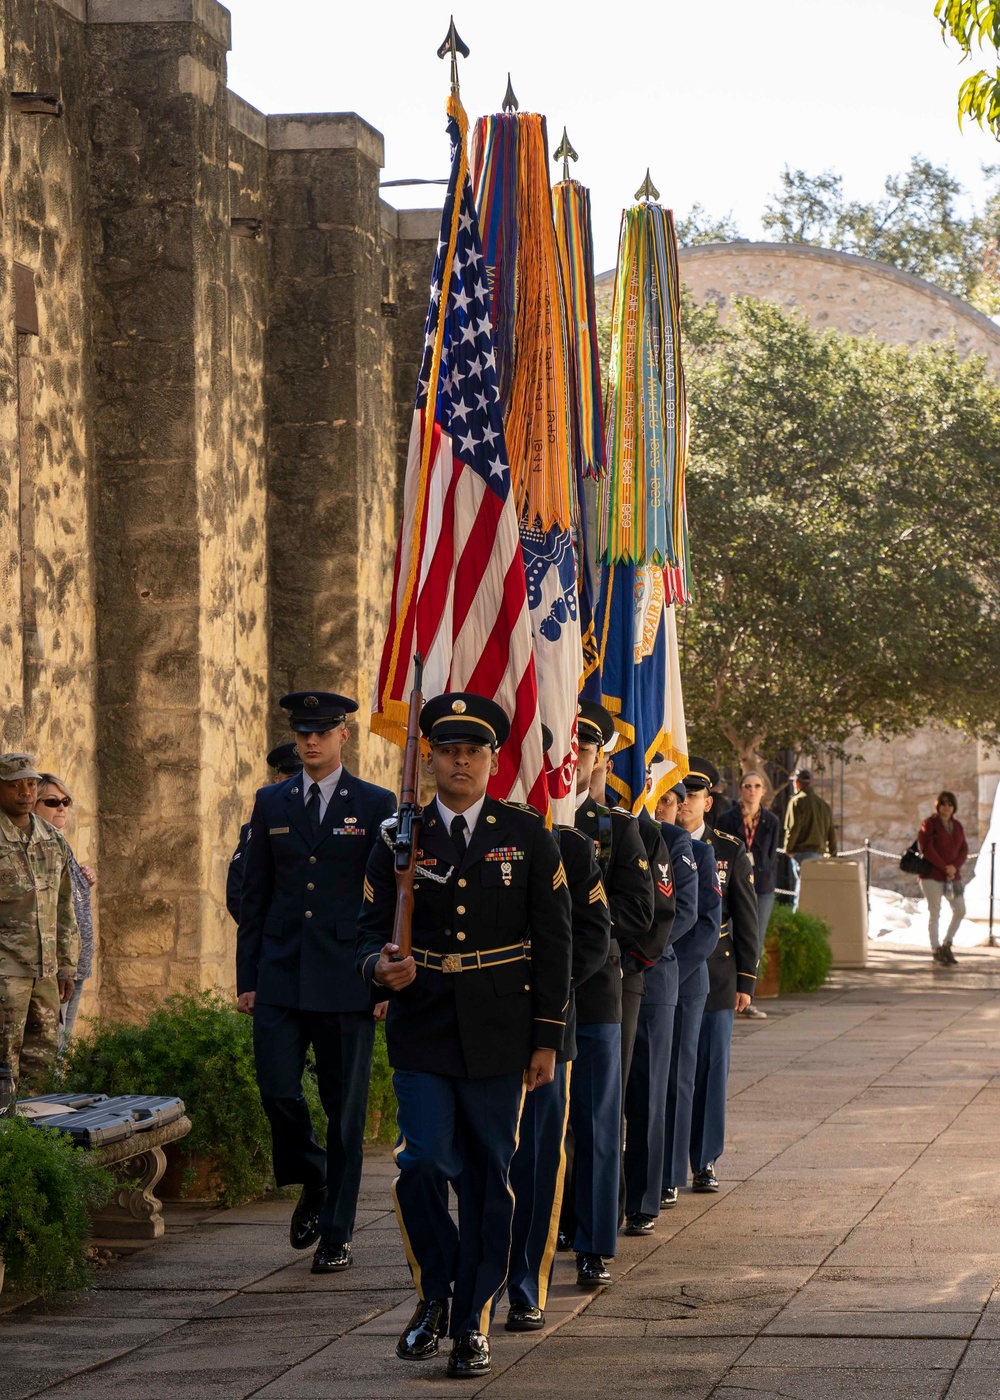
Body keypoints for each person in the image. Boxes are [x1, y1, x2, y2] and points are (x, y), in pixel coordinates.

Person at [356, 694, 573, 1378]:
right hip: (422, 1025)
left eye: (472, 750)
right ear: (430, 757)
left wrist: (547, 1039)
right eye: (447, 749)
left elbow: (557, 939)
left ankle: (472, 1321)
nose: (459, 760)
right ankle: (436, 1293)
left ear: (492, 760)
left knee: (486, 1174)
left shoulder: (527, 832)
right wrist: (377, 967)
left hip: (499, 1030)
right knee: (420, 1163)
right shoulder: (400, 834)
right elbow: (363, 931)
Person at [236, 691, 395, 1275]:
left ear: (343, 736)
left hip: (347, 976)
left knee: (344, 1110)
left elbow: (388, 902)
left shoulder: (376, 803)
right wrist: (247, 976)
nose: (309, 741)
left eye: (321, 731)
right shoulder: (271, 800)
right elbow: (255, 896)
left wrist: (381, 982)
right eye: (303, 732)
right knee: (277, 1091)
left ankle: (337, 1232)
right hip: (280, 973)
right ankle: (315, 1173)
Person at [506, 727, 610, 1332]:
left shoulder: (571, 846)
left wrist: (546, 996)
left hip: (548, 1025)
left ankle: (526, 1283)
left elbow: (593, 937)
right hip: (477, 1028)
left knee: (541, 1158)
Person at [561, 700, 654, 1289]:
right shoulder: (523, 826)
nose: (575, 760)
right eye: (567, 748)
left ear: (599, 759)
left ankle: (594, 1240)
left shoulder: (618, 829)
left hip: (596, 990)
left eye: (587, 750)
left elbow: (640, 909)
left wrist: (573, 930)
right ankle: (543, 1229)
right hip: (524, 991)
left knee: (596, 1122)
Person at [622, 768, 696, 1235]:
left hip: (649, 977)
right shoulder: (605, 826)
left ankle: (644, 1200)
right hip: (605, 978)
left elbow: (682, 912)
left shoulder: (671, 838)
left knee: (648, 1094)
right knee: (600, 1101)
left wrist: (633, 956)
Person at [678, 758, 758, 1193]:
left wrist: (746, 978)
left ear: (708, 802)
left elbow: (746, 916)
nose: (685, 802)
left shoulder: (727, 849)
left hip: (717, 972)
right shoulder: (657, 839)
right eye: (680, 794)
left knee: (710, 1070)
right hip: (669, 972)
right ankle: (667, 1164)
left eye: (693, 795)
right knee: (672, 1072)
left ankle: (704, 1159)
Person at [0, 754, 79, 1092]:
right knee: (4, 1064)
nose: (25, 791)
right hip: (6, 973)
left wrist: (67, 966)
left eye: (31, 784)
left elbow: (64, 906)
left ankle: (39, 1140)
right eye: (15, 784)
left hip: (46, 974)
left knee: (43, 1063)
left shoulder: (52, 838)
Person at [660, 783, 723, 1209]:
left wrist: (665, 968)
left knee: (677, 1081)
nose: (671, 806)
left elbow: (707, 926)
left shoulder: (700, 854)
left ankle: (667, 1174)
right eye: (663, 798)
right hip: (637, 981)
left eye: (674, 799)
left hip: (681, 980)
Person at [33, 774, 95, 1048]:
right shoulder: (39, 846)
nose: (61, 807)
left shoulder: (61, 844)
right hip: (58, 967)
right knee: (52, 1048)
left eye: (65, 801)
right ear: (34, 806)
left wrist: (85, 877)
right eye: (52, 801)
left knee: (62, 1049)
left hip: (76, 964)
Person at [716, 771, 779, 1020]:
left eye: (757, 786)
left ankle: (748, 995)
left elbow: (772, 855)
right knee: (728, 937)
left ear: (763, 791)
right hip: (732, 886)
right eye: (747, 786)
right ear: (740, 789)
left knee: (755, 939)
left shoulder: (771, 820)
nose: (752, 790)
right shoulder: (726, 818)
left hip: (761, 887)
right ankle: (726, 995)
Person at [226, 742, 302, 923]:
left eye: (302, 777)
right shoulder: (255, 829)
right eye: (290, 777)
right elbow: (237, 894)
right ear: (277, 780)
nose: (296, 785)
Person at [918, 791, 969, 966]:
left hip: (953, 877)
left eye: (950, 804)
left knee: (960, 910)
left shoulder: (958, 826)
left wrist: (954, 867)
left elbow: (963, 849)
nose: (947, 807)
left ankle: (947, 943)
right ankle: (936, 948)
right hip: (932, 875)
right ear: (938, 805)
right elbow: (927, 849)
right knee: (935, 913)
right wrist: (944, 866)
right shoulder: (929, 824)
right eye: (944, 803)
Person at [784, 769, 837, 910]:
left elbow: (793, 828)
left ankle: (798, 925)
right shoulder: (824, 805)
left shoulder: (797, 802)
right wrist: (833, 854)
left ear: (796, 783)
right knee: (815, 893)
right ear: (811, 783)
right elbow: (831, 832)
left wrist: (788, 848)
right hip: (819, 854)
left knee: (801, 893)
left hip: (802, 853)